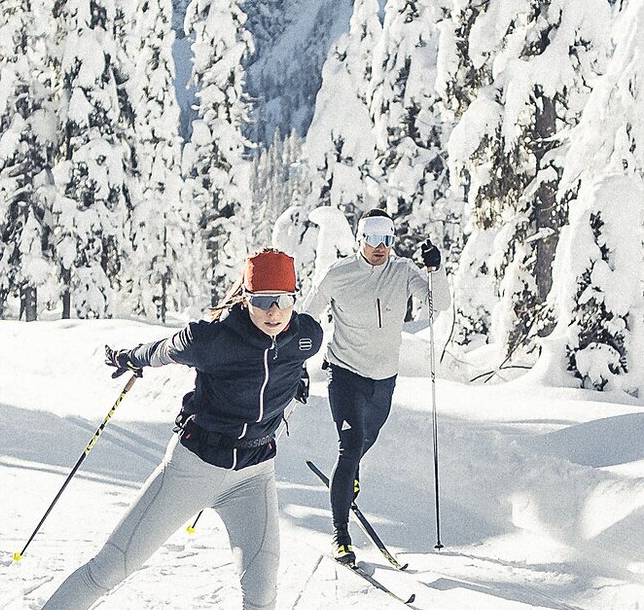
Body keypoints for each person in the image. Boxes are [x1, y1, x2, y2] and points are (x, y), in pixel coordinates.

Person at [42, 249, 323, 610]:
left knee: (262, 594)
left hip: (254, 476)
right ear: (246, 298)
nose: (274, 311)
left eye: (283, 300)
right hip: (194, 469)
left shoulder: (305, 337)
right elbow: (163, 350)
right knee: (110, 569)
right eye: (263, 300)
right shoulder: (211, 340)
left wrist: (296, 378)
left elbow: (290, 361)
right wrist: (131, 357)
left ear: (294, 299)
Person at [301, 208, 451, 565]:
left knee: (368, 438)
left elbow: (438, 304)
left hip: (384, 377)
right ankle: (341, 533)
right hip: (345, 373)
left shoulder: (402, 271)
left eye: (387, 238)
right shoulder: (338, 274)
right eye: (373, 237)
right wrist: (296, 368)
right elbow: (307, 322)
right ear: (359, 238)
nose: (381, 246)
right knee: (350, 446)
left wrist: (436, 270)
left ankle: (348, 477)